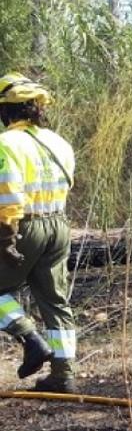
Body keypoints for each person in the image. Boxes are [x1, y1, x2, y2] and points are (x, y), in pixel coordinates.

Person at [0, 73, 77, 394]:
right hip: (58, 224)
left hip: (24, 225)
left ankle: (30, 338)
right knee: (56, 302)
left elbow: (8, 193)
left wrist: (6, 237)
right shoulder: (59, 142)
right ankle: (64, 375)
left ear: (6, 111)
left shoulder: (6, 144)